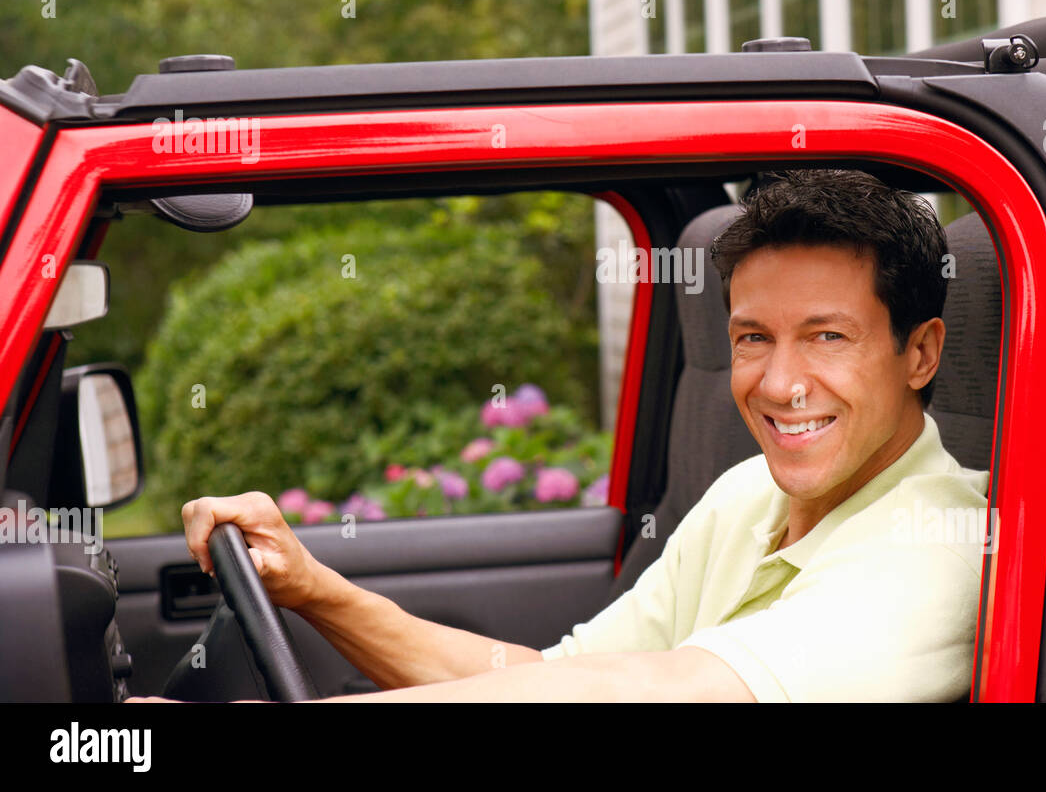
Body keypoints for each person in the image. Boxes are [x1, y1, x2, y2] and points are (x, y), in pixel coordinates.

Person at [137, 169, 990, 702]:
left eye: (827, 336)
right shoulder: (750, 494)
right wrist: (318, 589)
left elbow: (665, 689)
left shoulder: (934, 548)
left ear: (919, 353)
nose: (778, 383)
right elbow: (548, 682)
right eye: (752, 337)